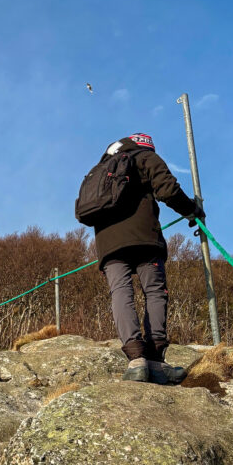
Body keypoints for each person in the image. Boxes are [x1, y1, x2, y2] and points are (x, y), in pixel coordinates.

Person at [83, 133, 204, 383]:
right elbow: (168, 190)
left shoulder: (100, 168)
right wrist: (192, 210)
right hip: (144, 238)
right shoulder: (145, 157)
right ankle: (156, 361)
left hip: (107, 243)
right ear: (146, 145)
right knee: (155, 292)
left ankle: (136, 360)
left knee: (120, 292)